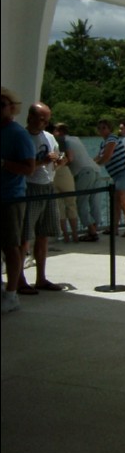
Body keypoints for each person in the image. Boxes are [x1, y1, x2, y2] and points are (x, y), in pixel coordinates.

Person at [18, 103, 65, 293]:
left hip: (48, 186)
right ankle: (19, 279)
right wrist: (41, 162)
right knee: (24, 236)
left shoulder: (50, 137)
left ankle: (41, 277)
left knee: (43, 234)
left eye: (47, 119)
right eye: (41, 119)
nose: (44, 123)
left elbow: (57, 161)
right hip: (29, 187)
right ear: (30, 117)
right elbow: (22, 165)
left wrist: (59, 161)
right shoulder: (22, 137)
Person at [1, 87, 36, 313]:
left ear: (12, 108)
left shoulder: (17, 134)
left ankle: (12, 293)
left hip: (10, 198)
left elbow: (29, 168)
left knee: (11, 246)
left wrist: (4, 164)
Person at [56, 123, 103, 242]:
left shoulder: (62, 140)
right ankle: (94, 229)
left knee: (80, 202)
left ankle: (91, 231)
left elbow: (69, 158)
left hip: (83, 172)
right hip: (95, 169)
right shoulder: (76, 138)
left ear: (59, 132)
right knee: (94, 201)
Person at [95, 119, 125, 235]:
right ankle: (113, 228)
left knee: (123, 201)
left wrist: (96, 164)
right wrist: (90, 164)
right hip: (116, 175)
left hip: (124, 172)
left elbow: (107, 156)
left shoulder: (112, 139)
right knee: (115, 202)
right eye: (99, 128)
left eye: (104, 128)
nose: (101, 130)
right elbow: (98, 157)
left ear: (109, 129)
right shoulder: (102, 143)